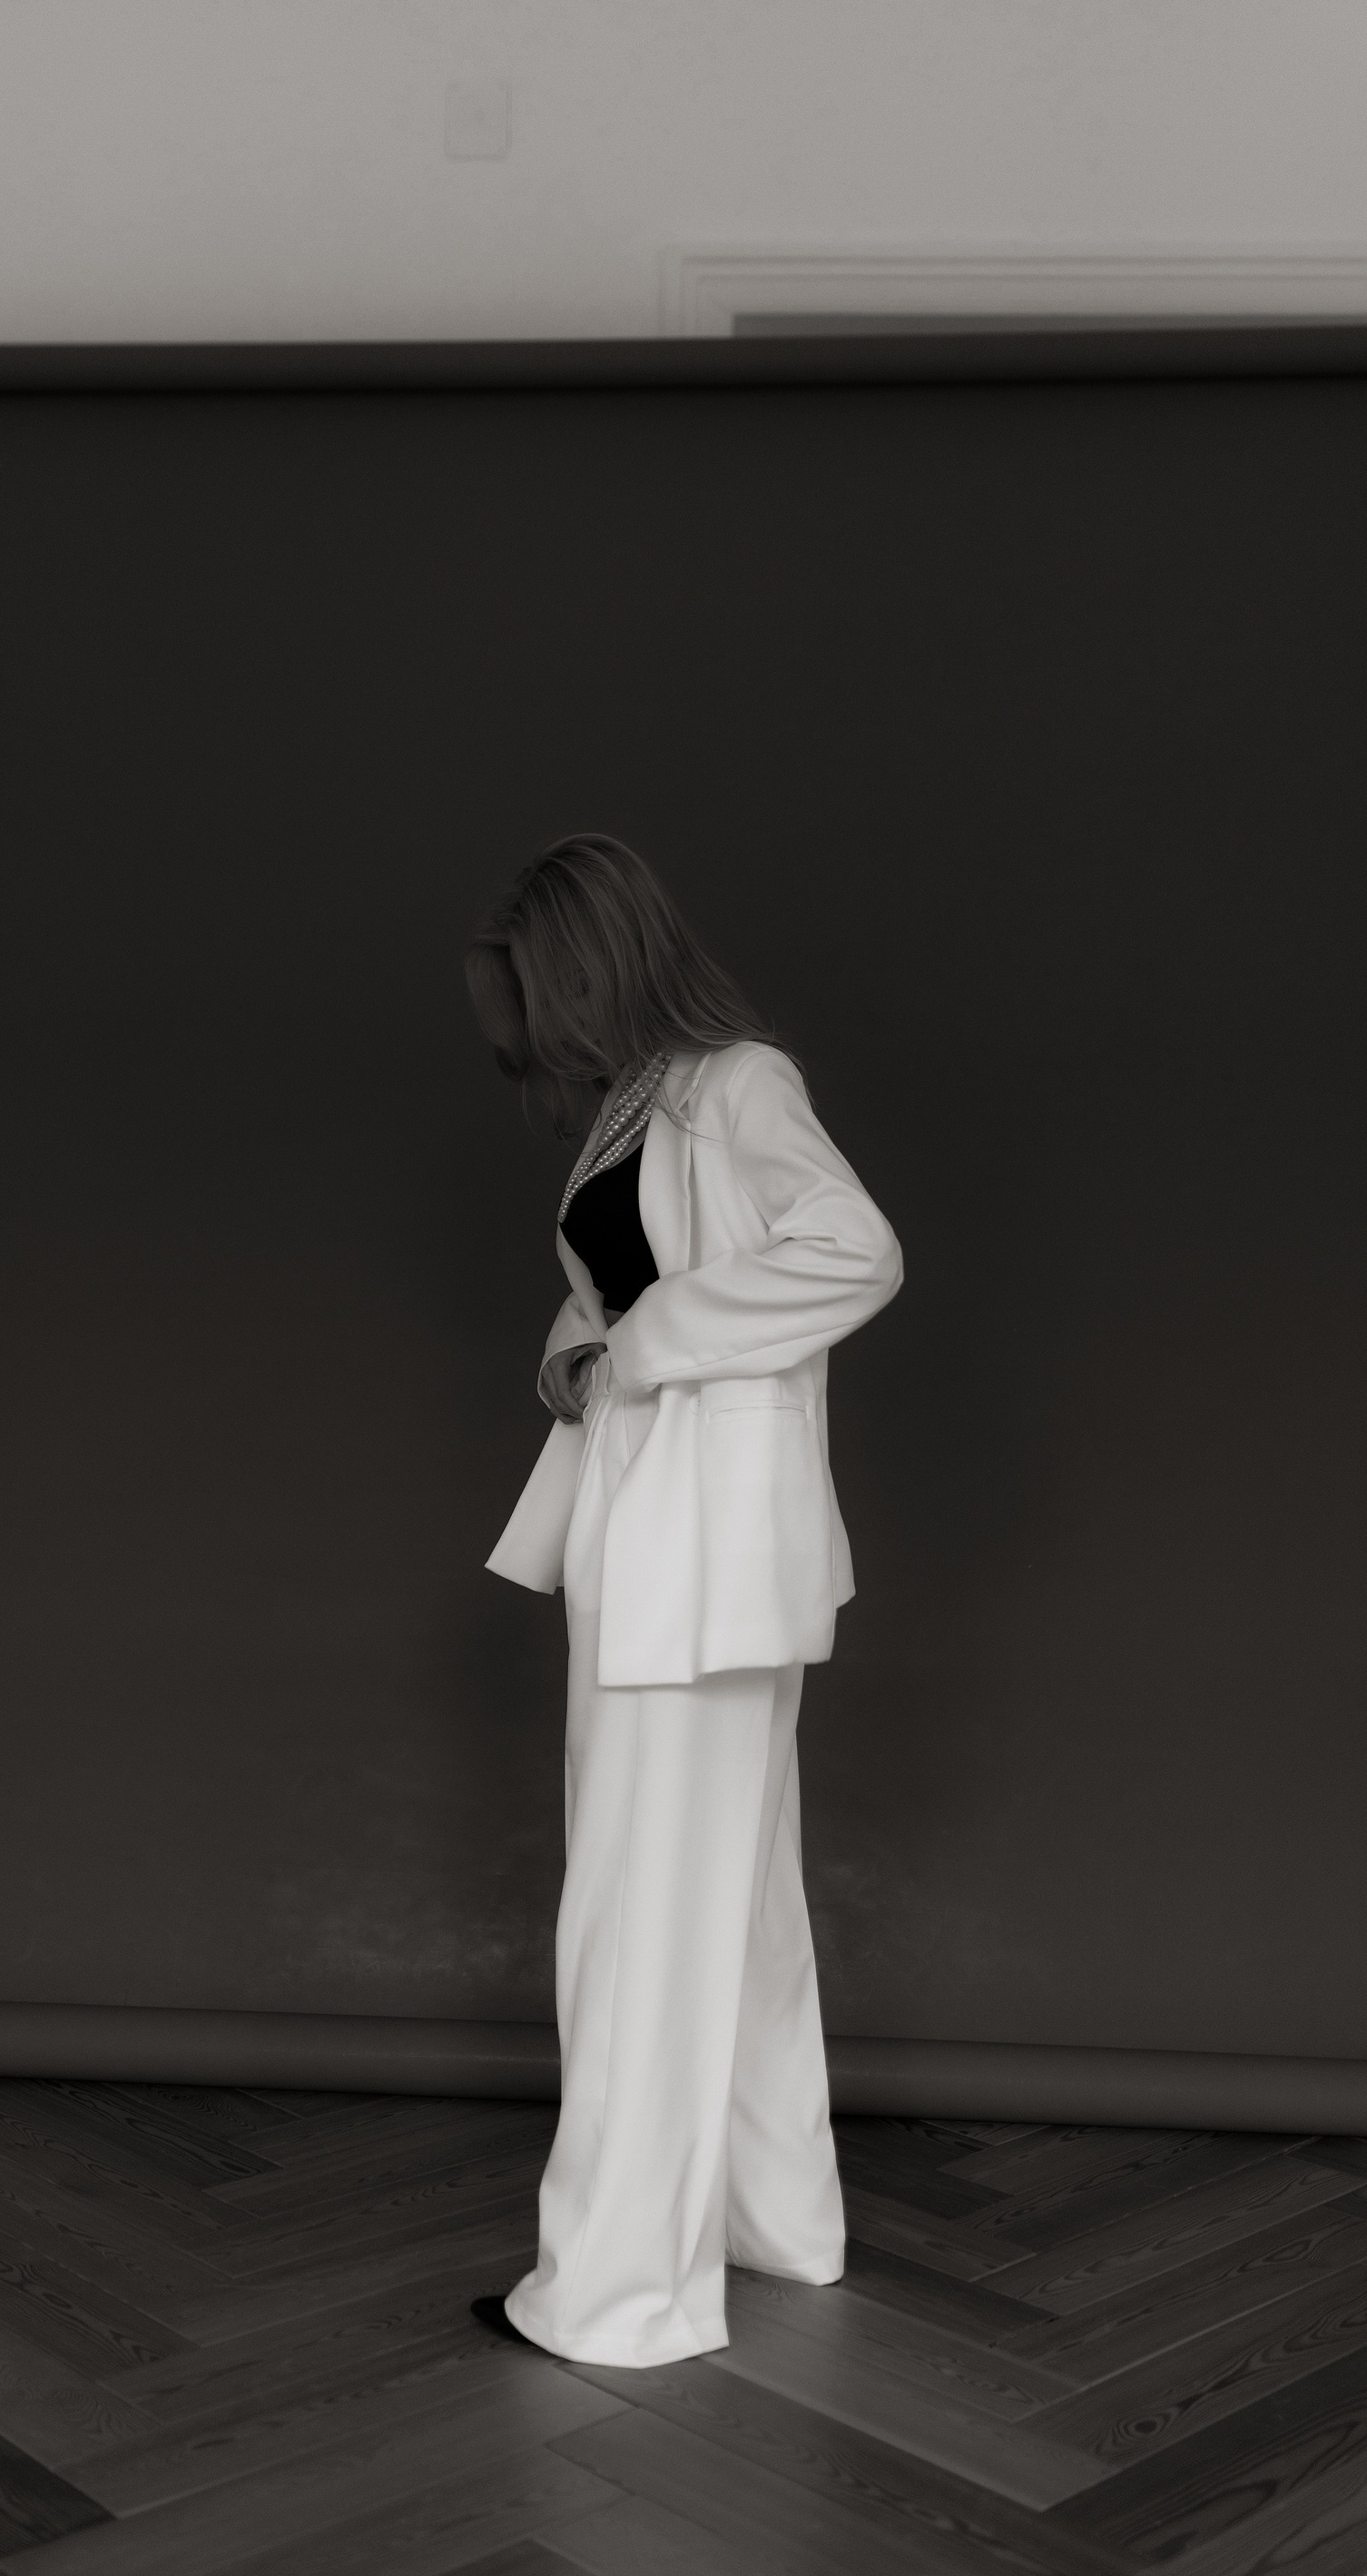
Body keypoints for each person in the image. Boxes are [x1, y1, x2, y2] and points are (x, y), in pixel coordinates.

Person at [464, 833, 903, 2368]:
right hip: (658, 1543)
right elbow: (622, 1289)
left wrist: (644, 1349)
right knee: (739, 1910)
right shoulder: (637, 1106)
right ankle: (777, 2225)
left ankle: (619, 2294)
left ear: (587, 964)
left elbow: (853, 1250)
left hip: (698, 1563)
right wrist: (582, 1351)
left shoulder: (735, 1084)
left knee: (638, 1918)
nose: (529, 1036)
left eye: (536, 994)